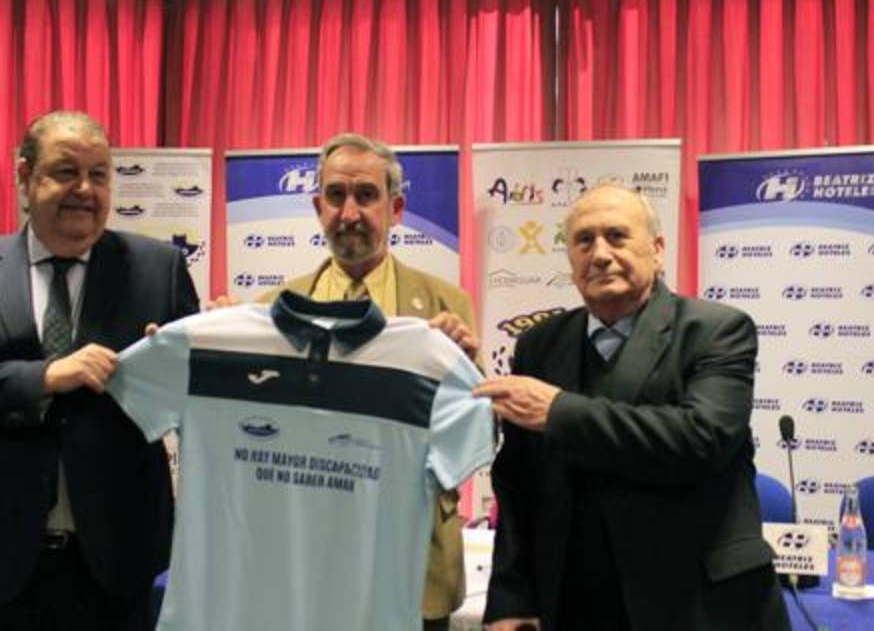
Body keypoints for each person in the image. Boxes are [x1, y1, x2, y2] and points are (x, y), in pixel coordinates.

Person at [0, 111, 199, 630]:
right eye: (66, 172)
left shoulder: (160, 270)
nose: (85, 190)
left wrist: (196, 355)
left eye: (99, 174)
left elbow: (197, 403)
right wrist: (44, 377)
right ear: (24, 176)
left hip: (119, 567)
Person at [475, 184, 789, 631]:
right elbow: (519, 483)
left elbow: (700, 439)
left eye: (617, 236)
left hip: (695, 605)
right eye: (584, 240)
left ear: (658, 251)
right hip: (571, 605)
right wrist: (511, 596)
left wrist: (559, 411)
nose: (599, 253)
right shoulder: (539, 346)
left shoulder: (717, 331)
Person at [256, 132, 480, 630]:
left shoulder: (448, 307)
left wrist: (464, 379)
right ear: (318, 207)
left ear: (396, 208)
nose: (350, 212)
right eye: (336, 196)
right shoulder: (271, 310)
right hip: (307, 558)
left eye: (366, 195)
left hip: (413, 560)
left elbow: (475, 438)